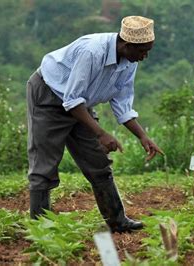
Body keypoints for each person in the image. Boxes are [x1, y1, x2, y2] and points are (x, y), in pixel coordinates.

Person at [26, 16, 163, 233]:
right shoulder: (92, 52)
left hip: (80, 103)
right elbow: (71, 100)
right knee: (44, 165)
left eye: (148, 50)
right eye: (142, 51)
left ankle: (118, 221)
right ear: (127, 45)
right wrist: (101, 133)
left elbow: (122, 104)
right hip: (50, 96)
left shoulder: (129, 62)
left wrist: (143, 136)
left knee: (98, 162)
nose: (144, 56)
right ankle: (39, 229)